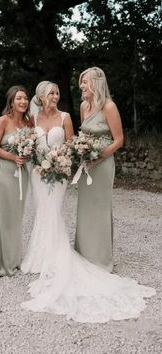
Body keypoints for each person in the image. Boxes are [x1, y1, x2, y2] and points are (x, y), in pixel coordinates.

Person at [20, 80, 155, 323]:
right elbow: (32, 142)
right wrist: (38, 158)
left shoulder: (74, 114)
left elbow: (73, 143)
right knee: (44, 210)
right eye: (52, 93)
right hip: (39, 172)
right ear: (40, 96)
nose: (56, 96)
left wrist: (64, 160)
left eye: (57, 93)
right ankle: (43, 256)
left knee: (61, 210)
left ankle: (68, 256)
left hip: (64, 171)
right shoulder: (41, 115)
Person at [74, 67, 124, 272]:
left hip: (102, 166)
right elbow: (83, 136)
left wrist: (98, 157)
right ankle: (84, 254)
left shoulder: (109, 107)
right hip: (86, 164)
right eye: (81, 82)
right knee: (85, 207)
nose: (81, 86)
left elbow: (119, 140)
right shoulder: (84, 106)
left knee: (100, 207)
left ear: (96, 83)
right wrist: (82, 152)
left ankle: (101, 257)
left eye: (85, 82)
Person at [0, 86, 32, 277]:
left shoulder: (28, 122)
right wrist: (12, 157)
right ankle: (3, 262)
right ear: (11, 102)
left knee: (17, 215)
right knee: (5, 215)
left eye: (25, 98)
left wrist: (27, 154)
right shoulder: (2, 121)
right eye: (19, 99)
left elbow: (32, 147)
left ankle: (15, 259)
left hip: (22, 173)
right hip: (5, 172)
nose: (23, 102)